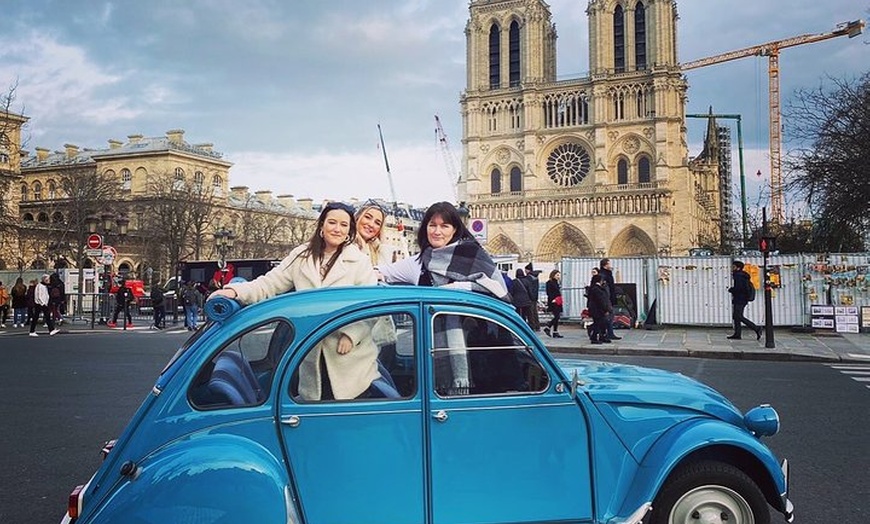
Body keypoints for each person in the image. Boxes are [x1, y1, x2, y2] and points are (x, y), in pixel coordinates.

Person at [209, 201, 379, 401]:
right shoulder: (301, 255)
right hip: (311, 349)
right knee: (315, 409)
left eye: (344, 225)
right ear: (322, 225)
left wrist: (351, 335)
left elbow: (370, 305)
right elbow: (269, 284)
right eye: (332, 222)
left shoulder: (360, 262)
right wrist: (234, 292)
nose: (337, 229)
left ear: (349, 231)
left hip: (350, 361)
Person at [375, 201, 509, 301]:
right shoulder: (418, 262)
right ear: (425, 228)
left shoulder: (473, 254)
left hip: (480, 335)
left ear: (455, 229)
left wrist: (455, 288)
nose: (437, 232)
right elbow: (380, 272)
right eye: (432, 225)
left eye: (444, 226)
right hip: (435, 335)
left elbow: (498, 289)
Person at [727, 260, 762, 340]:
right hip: (741, 298)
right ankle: (737, 334)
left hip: (740, 298)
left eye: (733, 266)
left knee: (738, 316)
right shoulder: (741, 275)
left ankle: (756, 328)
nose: (732, 268)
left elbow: (740, 288)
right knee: (736, 316)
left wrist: (732, 290)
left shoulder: (738, 276)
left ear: (738, 268)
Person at [354, 200, 393, 266]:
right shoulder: (347, 244)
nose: (371, 224)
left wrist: (382, 239)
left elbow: (385, 270)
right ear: (357, 218)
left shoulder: (374, 249)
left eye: (377, 223)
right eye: (367, 217)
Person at [598, 258, 622, 340]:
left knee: (610, 316)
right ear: (605, 265)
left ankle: (609, 333)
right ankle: (604, 333)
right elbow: (605, 288)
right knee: (607, 316)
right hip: (606, 299)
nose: (610, 265)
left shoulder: (608, 273)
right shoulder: (603, 274)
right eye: (609, 264)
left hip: (610, 297)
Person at [586, 274, 612, 344]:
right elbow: (601, 300)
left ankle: (602, 336)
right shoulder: (597, 289)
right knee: (598, 324)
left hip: (597, 309)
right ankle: (594, 337)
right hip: (597, 310)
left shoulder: (597, 288)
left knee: (602, 323)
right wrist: (605, 309)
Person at [543, 269, 564, 338]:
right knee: (557, 316)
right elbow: (549, 292)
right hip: (553, 301)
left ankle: (555, 331)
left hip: (558, 301)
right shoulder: (549, 282)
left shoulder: (557, 283)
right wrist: (553, 299)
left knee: (557, 316)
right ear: (553, 275)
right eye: (557, 275)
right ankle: (548, 326)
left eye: (559, 275)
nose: (558, 276)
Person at [523, 263, 542, 331]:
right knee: (535, 312)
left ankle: (532, 326)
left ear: (528, 270)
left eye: (525, 270)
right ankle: (537, 326)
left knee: (530, 313)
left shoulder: (529, 278)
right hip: (535, 297)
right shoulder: (535, 277)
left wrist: (530, 296)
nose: (525, 271)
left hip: (530, 298)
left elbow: (529, 289)